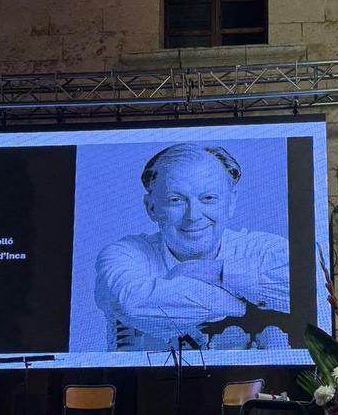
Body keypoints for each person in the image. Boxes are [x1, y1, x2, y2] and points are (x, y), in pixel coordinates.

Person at [94, 143, 290, 351]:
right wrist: (247, 299)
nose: (193, 215)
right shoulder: (123, 255)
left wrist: (216, 272)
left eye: (208, 198)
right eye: (175, 200)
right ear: (151, 207)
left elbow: (305, 288)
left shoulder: (263, 249)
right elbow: (130, 304)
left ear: (231, 202)